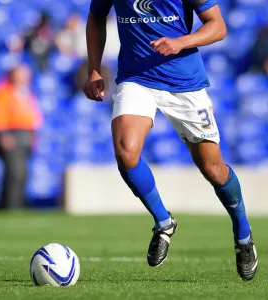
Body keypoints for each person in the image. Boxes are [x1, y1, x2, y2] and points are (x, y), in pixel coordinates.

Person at [83, 0, 258, 281]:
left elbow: (218, 26)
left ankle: (243, 234)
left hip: (184, 82)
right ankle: (163, 222)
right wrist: (94, 67)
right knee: (126, 152)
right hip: (136, 78)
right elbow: (95, 18)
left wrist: (180, 42)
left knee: (213, 169)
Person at [0, 65, 42, 209]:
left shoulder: (27, 93)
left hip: (25, 135)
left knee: (22, 172)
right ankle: (11, 206)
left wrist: (34, 135)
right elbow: (0, 115)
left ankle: (18, 204)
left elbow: (33, 116)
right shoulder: (4, 93)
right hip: (11, 135)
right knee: (15, 172)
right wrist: (3, 135)